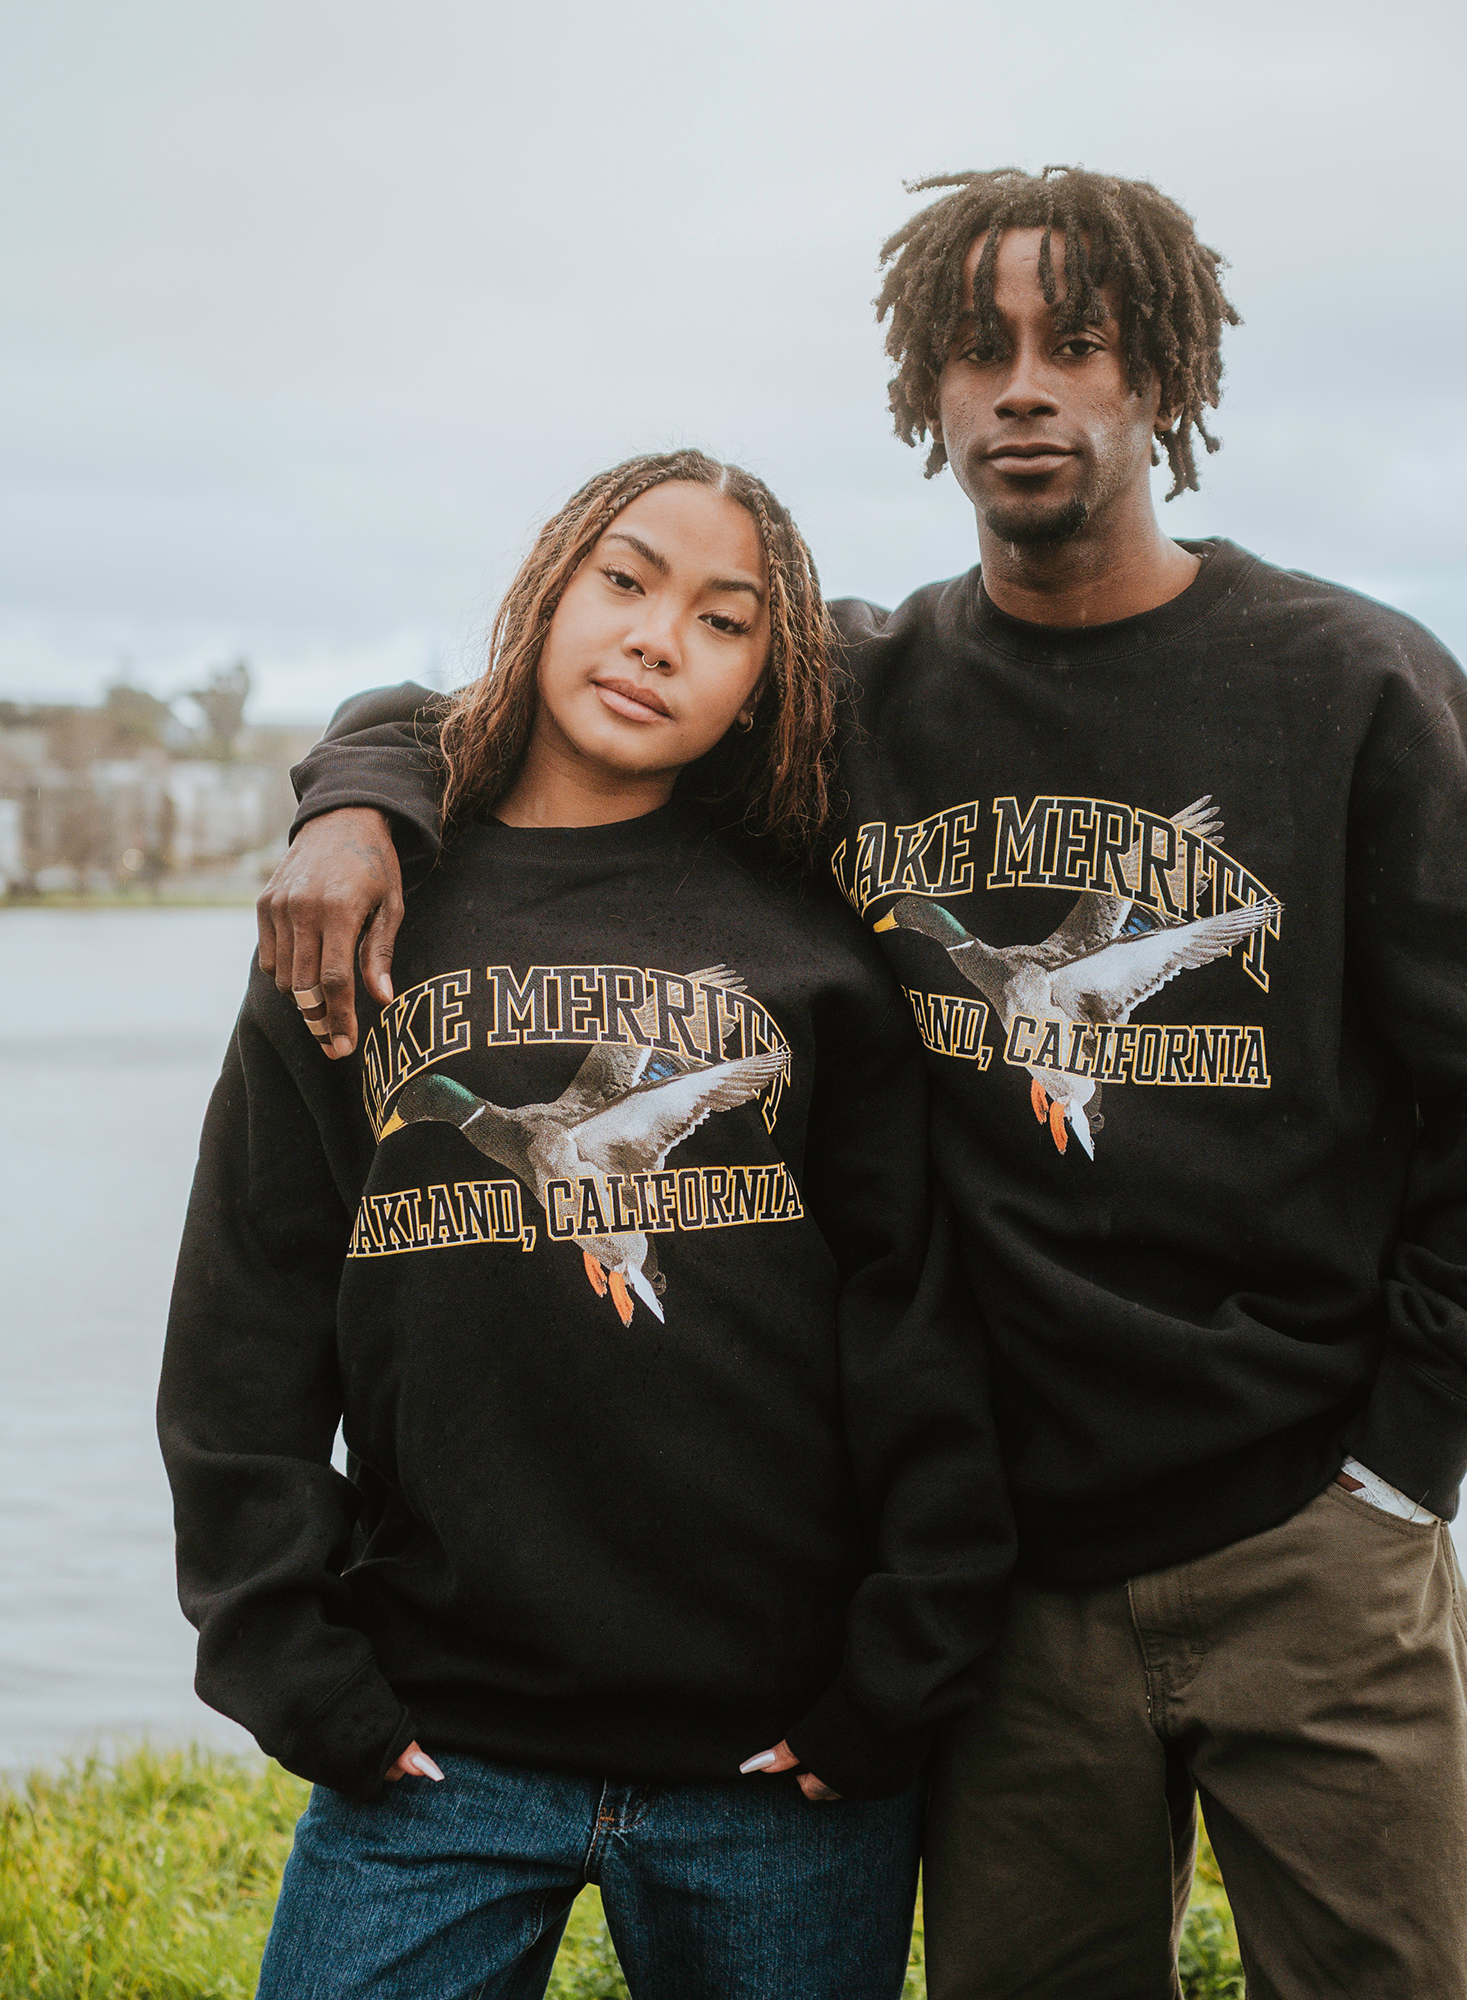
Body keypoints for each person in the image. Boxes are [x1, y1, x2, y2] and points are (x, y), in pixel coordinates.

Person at [262, 167, 1467, 2000]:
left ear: (1166, 378)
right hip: (1012, 1596)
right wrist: (360, 793)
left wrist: (1407, 1460)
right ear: (924, 396)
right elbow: (559, 691)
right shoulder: (858, 692)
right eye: (975, 351)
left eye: (1078, 344)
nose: (1024, 388)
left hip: (1316, 1538)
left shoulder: (1360, 685)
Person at [160, 448, 1013, 2000]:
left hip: (776, 1761)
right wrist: (292, 1661)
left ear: (764, 681)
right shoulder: (358, 909)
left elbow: (914, 1325)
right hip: (438, 1751)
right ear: (550, 588)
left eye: (722, 619)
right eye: (624, 579)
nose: (654, 637)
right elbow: (247, 1308)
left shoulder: (813, 946)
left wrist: (893, 1672)